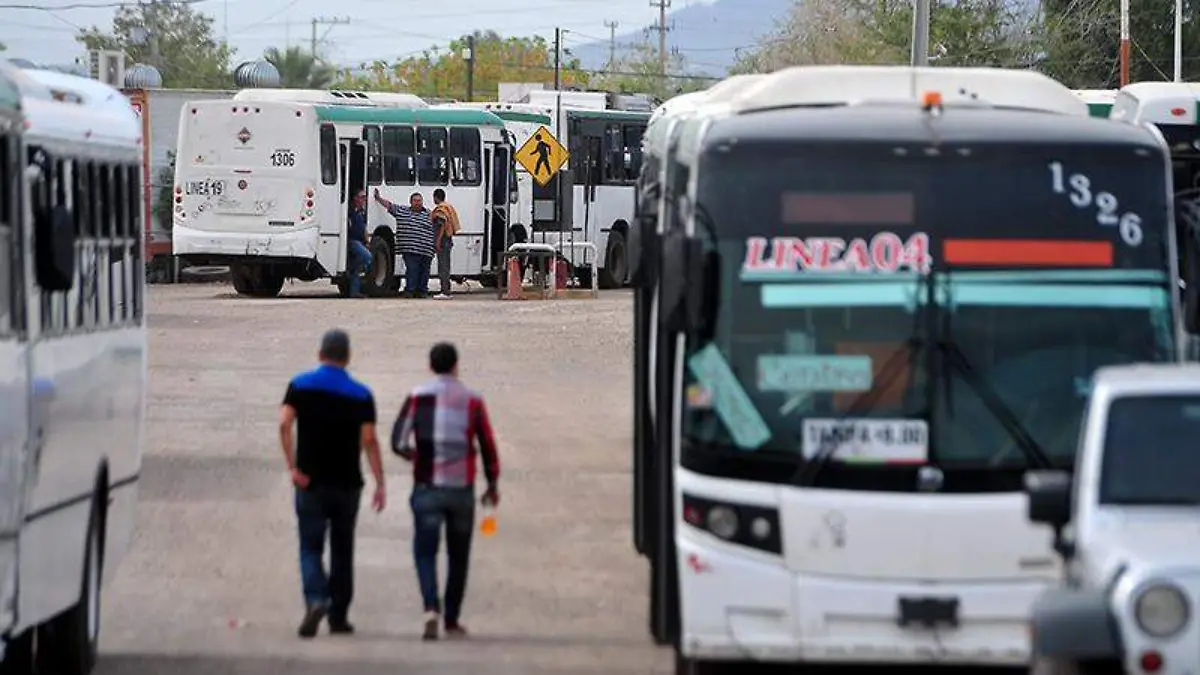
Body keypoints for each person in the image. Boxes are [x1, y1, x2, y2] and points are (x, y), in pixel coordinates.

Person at [279, 329, 386, 638]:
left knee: (310, 547)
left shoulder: (299, 385)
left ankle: (315, 599)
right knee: (342, 549)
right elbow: (369, 439)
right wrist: (380, 482)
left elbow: (285, 423)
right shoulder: (361, 394)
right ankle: (338, 617)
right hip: (346, 484)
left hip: (309, 481)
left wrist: (292, 466)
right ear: (347, 357)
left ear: (320, 354)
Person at [391, 342, 500, 641]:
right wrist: (492, 484)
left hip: (427, 486)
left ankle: (430, 607)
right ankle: (451, 620)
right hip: (460, 490)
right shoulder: (472, 400)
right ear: (456, 366)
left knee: (425, 551)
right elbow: (488, 446)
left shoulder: (417, 396)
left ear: (431, 366)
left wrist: (417, 457)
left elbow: (398, 441)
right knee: (458, 554)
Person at [373, 189, 434, 298]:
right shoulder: (402, 211)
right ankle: (410, 290)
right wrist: (378, 198)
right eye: (415, 200)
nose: (418, 202)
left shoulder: (429, 214)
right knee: (412, 270)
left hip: (426, 249)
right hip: (410, 249)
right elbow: (389, 205)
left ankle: (422, 291)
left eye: (419, 200)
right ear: (410, 202)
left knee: (424, 272)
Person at [430, 188, 460, 299]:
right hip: (448, 239)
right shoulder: (449, 207)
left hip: (443, 241)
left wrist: (437, 241)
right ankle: (447, 290)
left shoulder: (441, 209)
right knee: (446, 266)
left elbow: (442, 225)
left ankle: (445, 291)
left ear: (435, 197)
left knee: (443, 267)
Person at [345, 191, 370, 298]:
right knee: (367, 257)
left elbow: (363, 228)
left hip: (360, 241)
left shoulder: (361, 212)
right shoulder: (349, 211)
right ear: (355, 198)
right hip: (352, 240)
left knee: (358, 268)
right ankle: (352, 267)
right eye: (362, 197)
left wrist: (367, 241)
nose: (364, 200)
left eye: (365, 198)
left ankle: (354, 292)